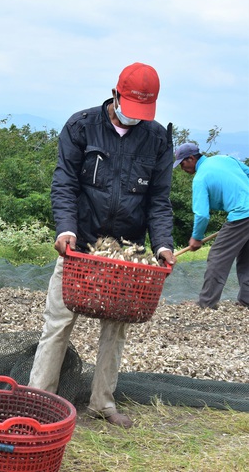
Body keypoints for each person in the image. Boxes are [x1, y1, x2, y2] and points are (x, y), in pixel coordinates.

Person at [28, 62, 176, 428]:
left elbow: (158, 200)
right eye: (130, 109)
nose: (135, 118)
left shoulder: (156, 139)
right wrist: (65, 230)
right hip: (81, 246)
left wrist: (162, 245)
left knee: (116, 327)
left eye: (144, 113)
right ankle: (40, 401)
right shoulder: (81, 126)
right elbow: (64, 183)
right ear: (115, 94)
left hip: (126, 250)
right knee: (58, 322)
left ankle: (102, 402)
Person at [173, 142, 249, 308]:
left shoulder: (200, 178)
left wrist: (196, 237)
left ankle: (206, 303)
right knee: (246, 257)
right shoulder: (225, 159)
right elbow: (248, 172)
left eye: (182, 163)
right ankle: (246, 300)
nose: (182, 168)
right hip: (244, 213)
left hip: (242, 215)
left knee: (217, 257)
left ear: (191, 158)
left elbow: (201, 215)